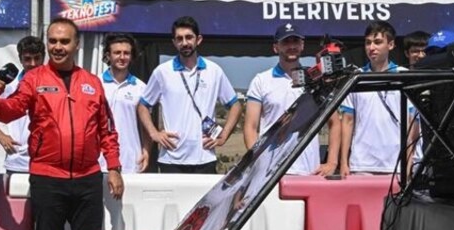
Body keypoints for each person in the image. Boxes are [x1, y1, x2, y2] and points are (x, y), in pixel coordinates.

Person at [0, 18, 124, 230]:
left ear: (76, 45)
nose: (57, 47)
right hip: (48, 178)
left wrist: (113, 167)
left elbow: (107, 129)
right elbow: (14, 107)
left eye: (64, 41)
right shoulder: (34, 78)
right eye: (52, 41)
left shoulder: (92, 82)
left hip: (88, 179)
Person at [138, 16, 242, 174]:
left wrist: (224, 135)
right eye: (179, 39)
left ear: (198, 39)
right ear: (174, 42)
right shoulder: (162, 72)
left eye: (189, 37)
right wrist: (154, 134)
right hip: (171, 158)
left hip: (205, 157)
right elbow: (143, 106)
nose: (184, 43)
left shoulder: (214, 71)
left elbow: (235, 105)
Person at [243, 24, 339, 175]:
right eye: (286, 42)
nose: (291, 46)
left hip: (309, 171)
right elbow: (250, 127)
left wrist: (332, 162)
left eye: (295, 41)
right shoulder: (261, 80)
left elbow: (335, 122)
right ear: (276, 47)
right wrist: (257, 163)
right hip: (271, 174)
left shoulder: (317, 79)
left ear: (302, 45)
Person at [339, 21, 419, 177]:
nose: (371, 47)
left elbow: (412, 124)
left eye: (377, 42)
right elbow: (347, 120)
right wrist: (344, 162)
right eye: (368, 43)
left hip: (395, 164)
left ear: (390, 45)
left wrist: (408, 162)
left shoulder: (404, 75)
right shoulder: (356, 77)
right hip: (362, 164)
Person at [0, 35, 45, 175]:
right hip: (17, 160)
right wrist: (0, 135)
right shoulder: (9, 84)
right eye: (27, 59)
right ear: (20, 59)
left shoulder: (54, 84)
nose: (32, 63)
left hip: (46, 161)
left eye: (37, 58)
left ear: (44, 58)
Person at [100, 33, 150, 173]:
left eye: (126, 53)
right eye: (117, 53)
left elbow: (145, 125)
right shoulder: (96, 84)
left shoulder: (141, 87)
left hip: (130, 161)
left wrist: (146, 150)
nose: (122, 57)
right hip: (99, 161)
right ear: (108, 56)